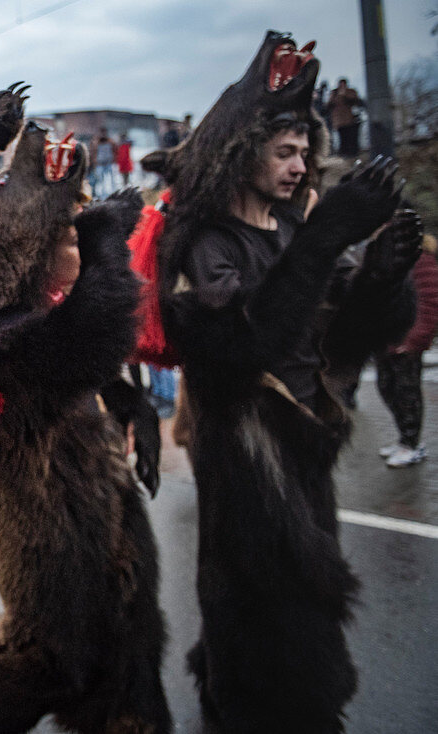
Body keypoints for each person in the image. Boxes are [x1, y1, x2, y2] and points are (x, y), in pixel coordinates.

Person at [154, 30, 415, 732]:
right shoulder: (202, 244)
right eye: (285, 151)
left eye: (306, 151)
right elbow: (241, 350)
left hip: (306, 444)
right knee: (265, 608)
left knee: (308, 593)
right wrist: (329, 235)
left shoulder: (288, 230)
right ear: (244, 156)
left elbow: (347, 338)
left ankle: (260, 697)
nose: (302, 165)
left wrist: (388, 275)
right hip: (246, 459)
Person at [377, 232, 438, 467]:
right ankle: (404, 439)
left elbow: (431, 301)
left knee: (407, 395)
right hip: (385, 341)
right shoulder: (388, 257)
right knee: (386, 388)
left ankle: (411, 445)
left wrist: (414, 340)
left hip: (406, 344)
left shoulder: (421, 259)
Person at [328, 77, 365, 156]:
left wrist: (344, 95)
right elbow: (329, 104)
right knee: (342, 138)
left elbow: (355, 101)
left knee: (351, 137)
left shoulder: (350, 92)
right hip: (339, 120)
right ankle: (343, 154)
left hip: (350, 119)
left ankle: (352, 153)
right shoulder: (334, 93)